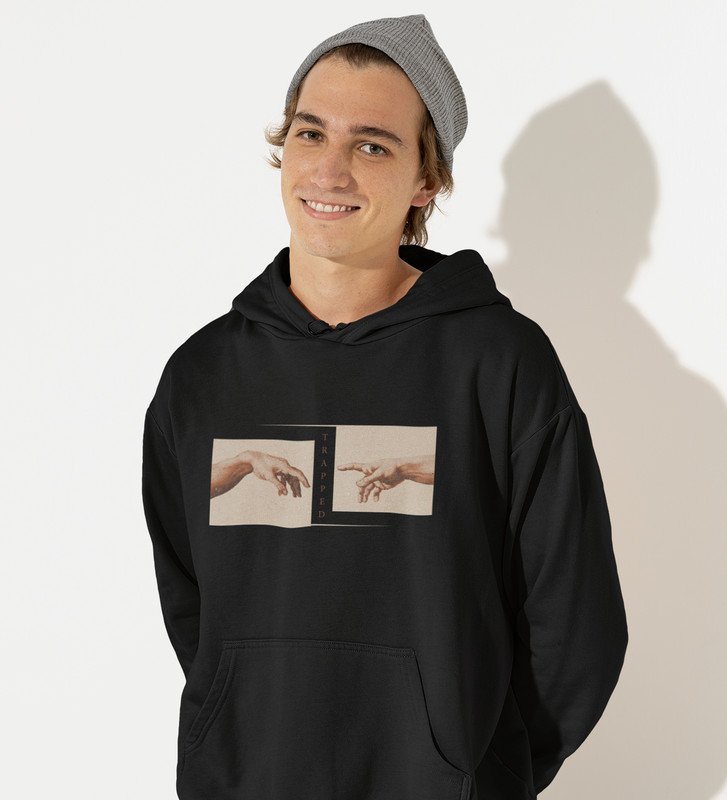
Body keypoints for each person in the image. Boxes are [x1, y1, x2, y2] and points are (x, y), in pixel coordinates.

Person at [141, 13, 628, 800]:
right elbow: (193, 607)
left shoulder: (498, 363)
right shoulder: (202, 376)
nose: (329, 171)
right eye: (310, 135)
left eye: (371, 146)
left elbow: (575, 624)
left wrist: (480, 770)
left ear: (425, 181)